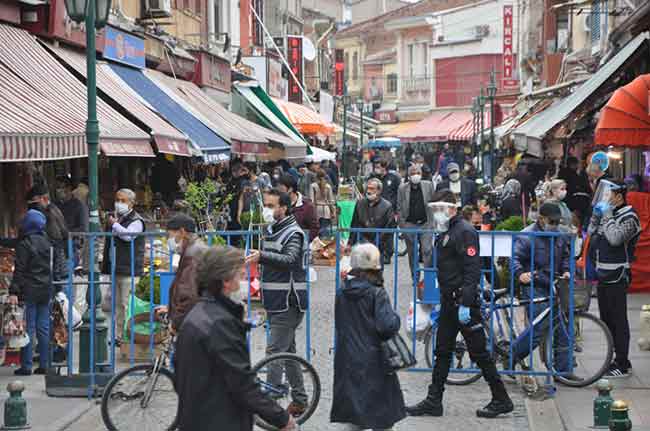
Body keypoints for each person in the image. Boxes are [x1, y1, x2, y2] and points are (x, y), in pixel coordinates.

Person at [407, 191, 513, 418]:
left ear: (452, 208)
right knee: (442, 351)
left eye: (440, 208)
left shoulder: (464, 231)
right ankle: (434, 400)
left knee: (480, 354)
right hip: (449, 302)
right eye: (434, 209)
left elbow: (472, 269)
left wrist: (466, 303)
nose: (437, 213)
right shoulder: (446, 230)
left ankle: (501, 398)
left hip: (462, 302)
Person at [175, 246, 296, 431]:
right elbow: (242, 383)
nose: (245, 282)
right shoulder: (220, 323)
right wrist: (282, 418)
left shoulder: (197, 315)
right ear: (226, 281)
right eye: (242, 276)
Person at [331, 243, 406, 431]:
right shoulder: (376, 293)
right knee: (383, 417)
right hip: (375, 360)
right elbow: (387, 326)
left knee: (355, 417)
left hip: (347, 358)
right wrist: (396, 318)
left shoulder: (342, 292)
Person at [248, 189, 309, 416]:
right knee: (288, 352)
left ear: (284, 207)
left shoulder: (293, 233)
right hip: (276, 301)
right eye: (266, 205)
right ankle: (300, 400)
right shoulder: (273, 230)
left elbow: (291, 259)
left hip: (288, 302)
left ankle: (271, 403)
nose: (267, 209)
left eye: (271, 206)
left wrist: (261, 256)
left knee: (275, 351)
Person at [511, 202, 573, 376]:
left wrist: (567, 270)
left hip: (554, 284)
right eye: (551, 221)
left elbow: (566, 256)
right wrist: (520, 273)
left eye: (557, 221)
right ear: (541, 218)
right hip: (534, 285)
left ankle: (564, 371)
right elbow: (514, 257)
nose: (554, 225)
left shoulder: (560, 235)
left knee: (563, 326)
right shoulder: (527, 235)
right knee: (539, 328)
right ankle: (511, 357)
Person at [588, 180, 640, 378]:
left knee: (619, 320)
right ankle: (612, 358)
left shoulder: (630, 217)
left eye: (609, 195)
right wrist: (595, 218)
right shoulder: (609, 213)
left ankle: (623, 362)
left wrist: (608, 216)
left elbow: (615, 238)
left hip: (618, 275)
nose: (606, 199)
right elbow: (594, 235)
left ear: (619, 196)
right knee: (606, 319)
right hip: (602, 274)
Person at [9, 210, 52, 376]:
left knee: (28, 327)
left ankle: (26, 366)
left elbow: (19, 269)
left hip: (29, 290)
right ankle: (44, 364)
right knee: (43, 327)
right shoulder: (47, 242)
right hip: (46, 289)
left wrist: (14, 290)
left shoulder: (25, 244)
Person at [101, 189, 145, 344]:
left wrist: (114, 225)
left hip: (130, 269)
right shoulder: (118, 218)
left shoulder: (137, 221)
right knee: (118, 306)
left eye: (123, 200)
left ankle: (127, 336)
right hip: (117, 268)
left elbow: (128, 236)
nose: (119, 203)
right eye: (117, 199)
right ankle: (119, 336)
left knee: (127, 305)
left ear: (131, 203)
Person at [158, 214, 209, 332]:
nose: (169, 240)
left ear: (182, 232)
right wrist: (170, 309)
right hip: (197, 316)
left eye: (170, 235)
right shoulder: (192, 249)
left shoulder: (192, 254)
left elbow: (189, 294)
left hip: (194, 321)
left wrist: (176, 323)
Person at [397, 164, 436, 284]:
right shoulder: (402, 188)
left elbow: (433, 203)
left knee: (427, 250)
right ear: (409, 175)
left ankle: (428, 277)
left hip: (426, 223)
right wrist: (402, 225)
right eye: (413, 173)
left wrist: (433, 222)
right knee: (412, 252)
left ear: (421, 174)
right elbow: (399, 207)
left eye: (418, 172)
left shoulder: (428, 185)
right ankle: (415, 277)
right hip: (409, 224)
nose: (415, 175)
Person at [350, 179, 395, 264]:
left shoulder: (387, 206)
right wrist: (350, 243)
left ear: (379, 191)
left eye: (372, 188)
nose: (369, 191)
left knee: (376, 272)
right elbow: (354, 224)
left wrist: (377, 245)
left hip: (379, 245)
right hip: (362, 244)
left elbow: (389, 228)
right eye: (368, 188)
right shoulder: (360, 203)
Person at [55, 177, 88, 267]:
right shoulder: (55, 205)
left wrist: (67, 233)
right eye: (57, 187)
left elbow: (83, 227)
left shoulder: (78, 205)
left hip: (71, 243)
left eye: (60, 187)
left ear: (68, 188)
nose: (58, 190)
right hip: (56, 243)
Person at [277, 174, 319, 241]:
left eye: (281, 188)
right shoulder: (278, 204)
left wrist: (303, 242)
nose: (279, 191)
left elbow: (314, 229)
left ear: (290, 189)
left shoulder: (307, 206)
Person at [312, 171, 336, 238]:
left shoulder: (313, 186)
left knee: (317, 230)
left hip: (316, 210)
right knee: (325, 231)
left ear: (316, 177)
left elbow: (311, 200)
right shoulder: (328, 186)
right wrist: (333, 212)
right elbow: (331, 201)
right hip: (326, 209)